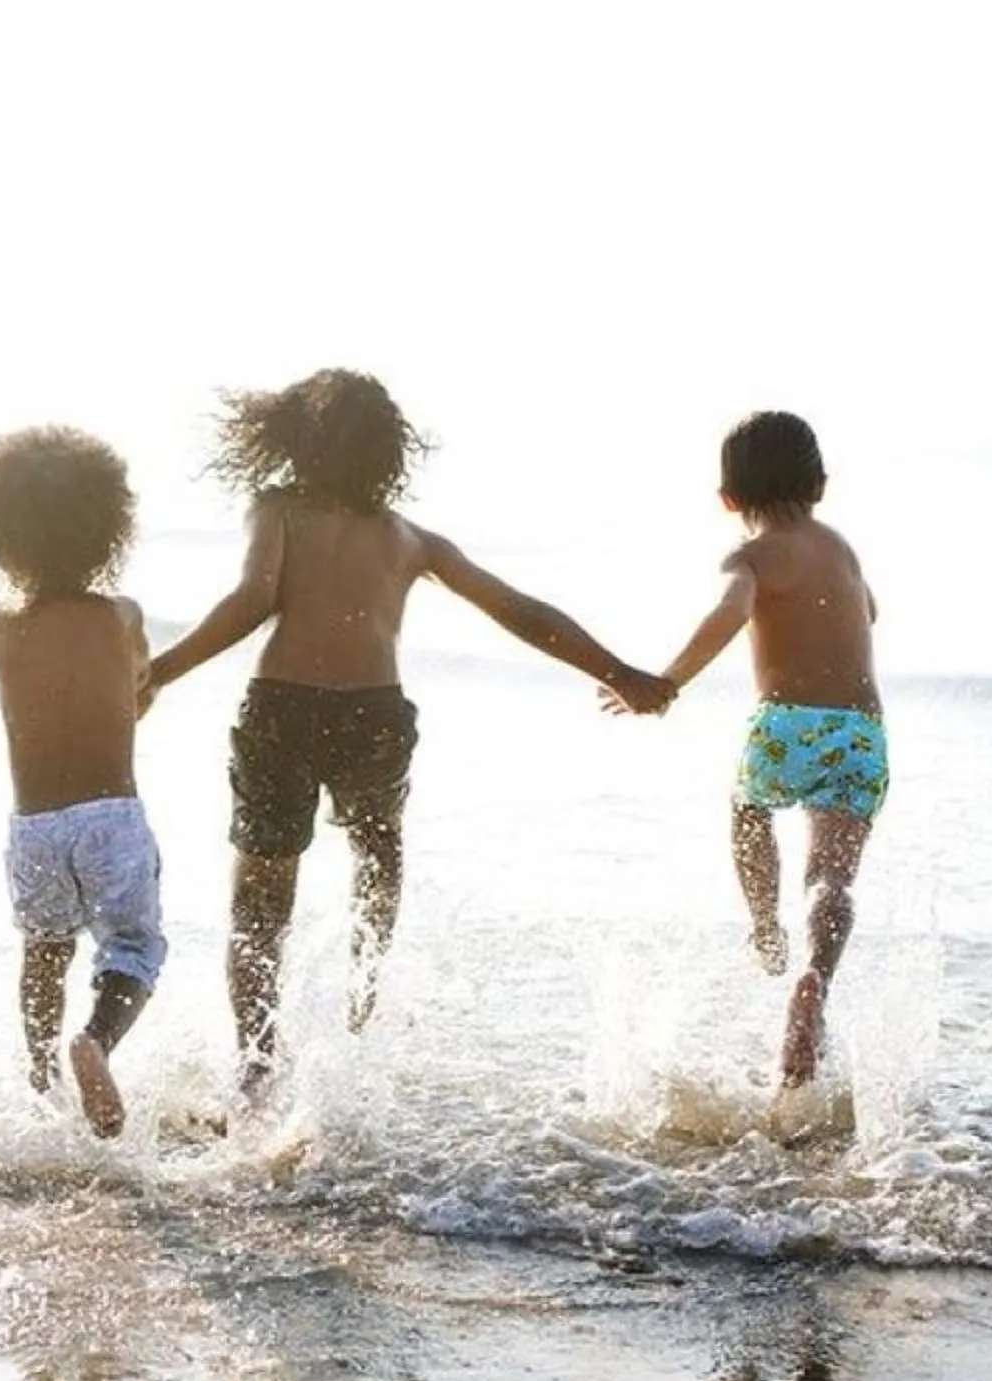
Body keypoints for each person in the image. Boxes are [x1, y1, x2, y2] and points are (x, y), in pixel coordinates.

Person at [143, 368, 674, 1096]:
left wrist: (162, 671)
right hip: (373, 716)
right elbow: (522, 612)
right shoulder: (410, 539)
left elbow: (252, 600)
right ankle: (363, 998)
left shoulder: (277, 511)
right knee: (378, 851)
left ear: (297, 436)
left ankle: (256, 1066)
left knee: (261, 900)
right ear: (388, 451)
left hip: (282, 710)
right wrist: (618, 671)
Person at [610, 410, 885, 1089]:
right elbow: (870, 611)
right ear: (820, 484)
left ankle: (766, 927)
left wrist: (667, 682)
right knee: (831, 876)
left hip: (782, 725)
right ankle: (815, 973)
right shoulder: (842, 547)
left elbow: (730, 612)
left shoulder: (749, 558)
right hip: (857, 730)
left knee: (747, 812)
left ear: (728, 500)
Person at [0, 427, 162, 1137]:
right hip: (112, 818)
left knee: (45, 952)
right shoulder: (122, 617)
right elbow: (140, 687)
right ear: (108, 530)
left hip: (34, 830)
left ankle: (40, 1085)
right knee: (134, 948)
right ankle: (96, 1042)